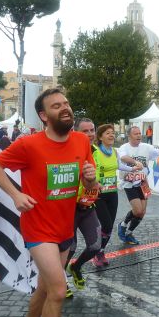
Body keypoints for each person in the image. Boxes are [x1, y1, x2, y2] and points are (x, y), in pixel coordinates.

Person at [0, 88, 97, 317]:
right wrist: (16, 195)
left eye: (66, 103)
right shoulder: (29, 144)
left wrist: (90, 180)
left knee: (45, 287)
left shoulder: (81, 141)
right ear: (43, 115)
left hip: (64, 229)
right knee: (59, 289)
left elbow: (91, 187)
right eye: (56, 105)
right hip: (38, 229)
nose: (65, 108)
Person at [90, 123, 140, 267]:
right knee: (105, 224)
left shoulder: (114, 151)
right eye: (108, 133)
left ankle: (100, 251)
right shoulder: (95, 151)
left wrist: (133, 168)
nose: (112, 135)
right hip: (98, 194)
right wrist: (94, 182)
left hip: (112, 193)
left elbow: (118, 165)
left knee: (109, 226)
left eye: (112, 132)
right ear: (100, 137)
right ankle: (95, 251)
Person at [64, 118, 103, 296]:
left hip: (88, 206)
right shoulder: (69, 150)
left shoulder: (96, 152)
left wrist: (97, 184)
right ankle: (60, 280)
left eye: (92, 130)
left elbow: (97, 176)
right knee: (69, 248)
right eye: (85, 131)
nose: (89, 134)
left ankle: (76, 267)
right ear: (75, 132)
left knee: (95, 246)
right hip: (69, 208)